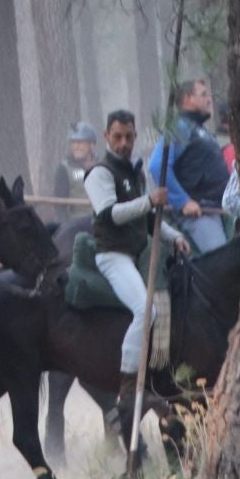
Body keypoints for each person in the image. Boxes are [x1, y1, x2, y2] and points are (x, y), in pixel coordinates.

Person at [83, 111, 182, 420]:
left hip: (138, 252)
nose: (124, 143)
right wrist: (150, 201)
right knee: (145, 309)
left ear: (135, 136)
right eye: (117, 137)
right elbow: (110, 214)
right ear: (106, 136)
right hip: (113, 255)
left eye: (129, 136)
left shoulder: (136, 172)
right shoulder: (99, 173)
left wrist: (175, 236)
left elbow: (149, 220)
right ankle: (128, 387)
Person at [151, 79, 231, 252]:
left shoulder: (200, 129)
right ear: (188, 98)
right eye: (203, 94)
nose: (209, 99)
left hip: (218, 209)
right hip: (199, 215)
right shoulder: (180, 127)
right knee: (221, 260)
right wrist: (183, 201)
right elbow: (158, 165)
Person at [52, 123, 99, 211]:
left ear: (91, 145)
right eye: (73, 142)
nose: (76, 146)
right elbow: (60, 206)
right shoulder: (64, 169)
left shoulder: (102, 167)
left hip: (100, 220)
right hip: (76, 222)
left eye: (80, 142)